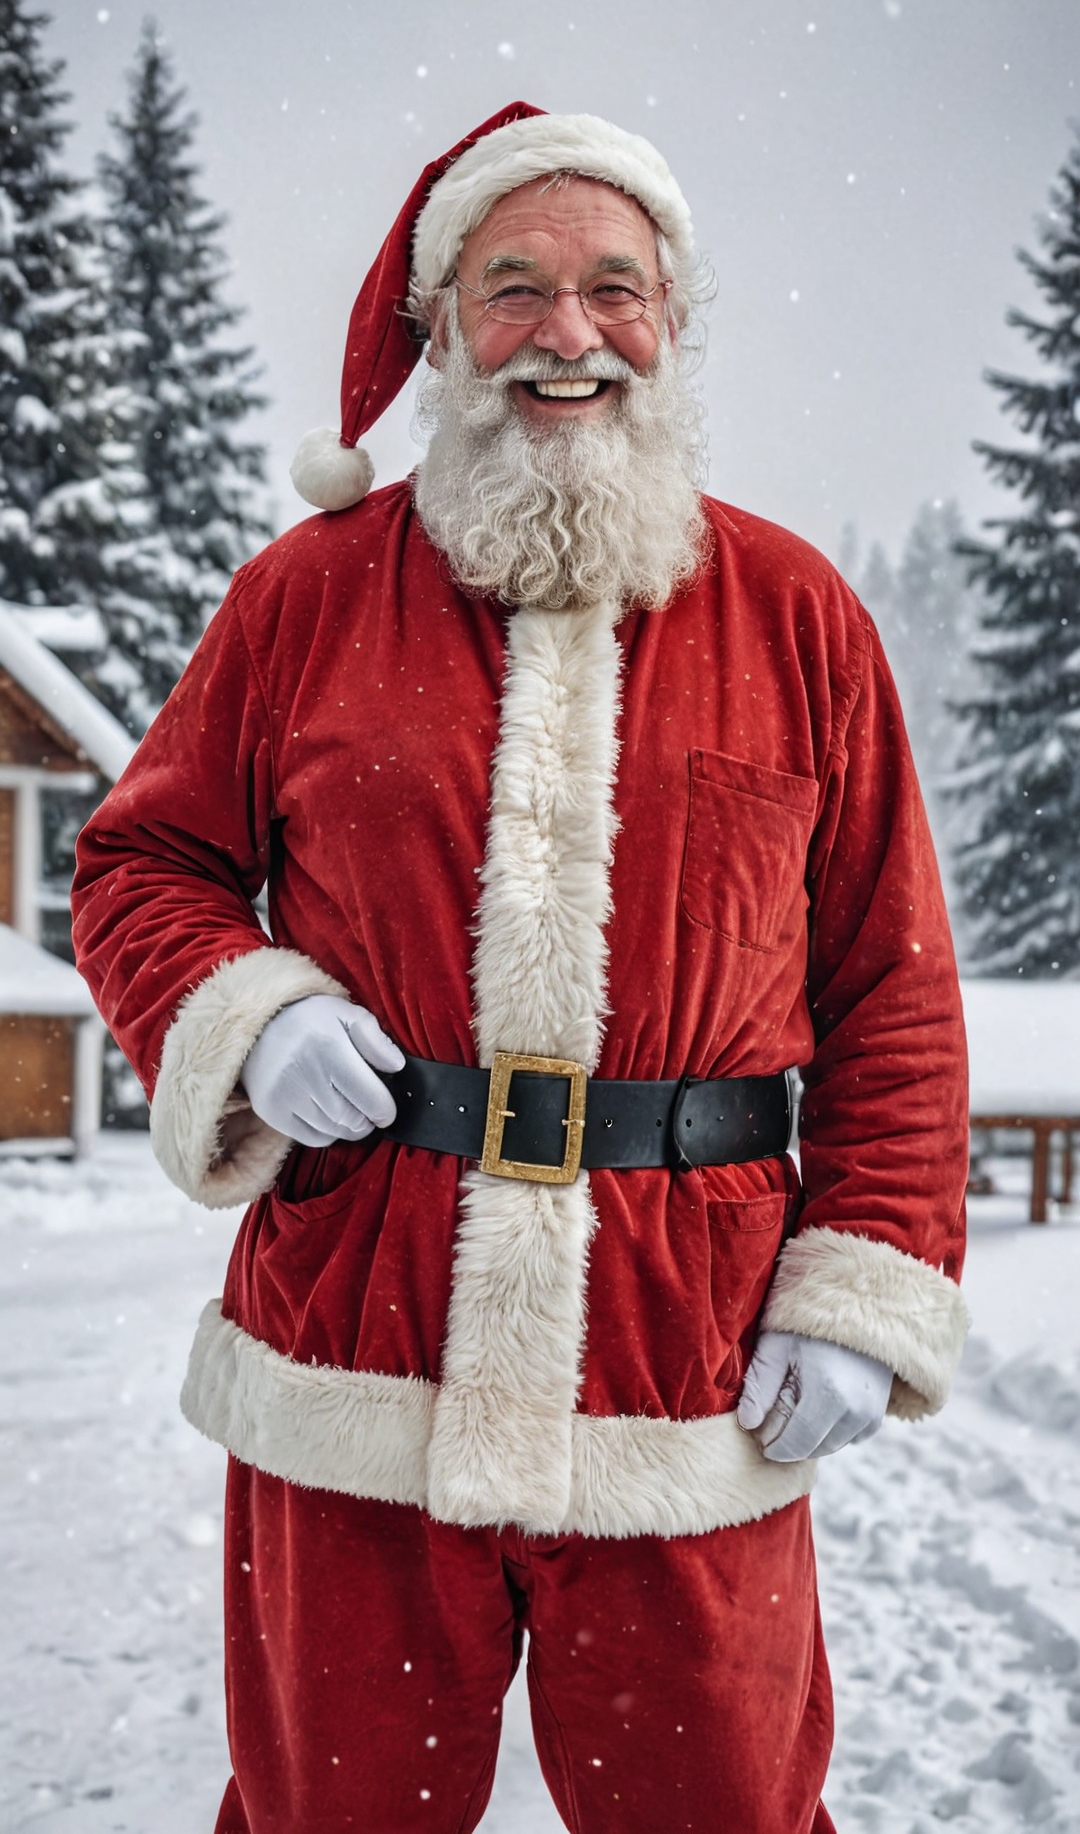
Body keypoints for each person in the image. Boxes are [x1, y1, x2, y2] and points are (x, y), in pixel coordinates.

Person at [72, 103, 969, 1834]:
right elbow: (139, 861)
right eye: (515, 287)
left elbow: (893, 990)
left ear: (674, 322)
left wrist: (865, 1290)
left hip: (688, 1354)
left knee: (728, 1813)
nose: (570, 334)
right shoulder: (304, 600)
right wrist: (249, 1018)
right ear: (441, 329)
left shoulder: (797, 617)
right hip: (359, 1332)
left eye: (614, 290)